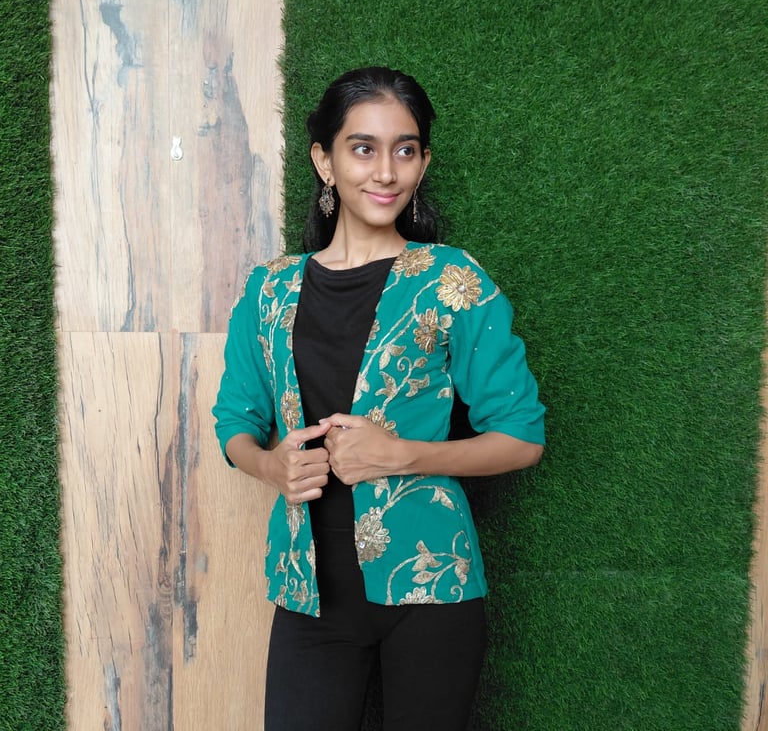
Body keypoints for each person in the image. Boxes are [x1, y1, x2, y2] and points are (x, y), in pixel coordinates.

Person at [212, 66, 545, 730]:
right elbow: (235, 422)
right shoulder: (269, 289)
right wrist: (271, 465)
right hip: (308, 589)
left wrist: (403, 454)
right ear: (324, 161)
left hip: (433, 583)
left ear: (423, 163)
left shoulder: (452, 280)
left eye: (406, 149)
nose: (386, 171)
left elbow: (521, 438)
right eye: (363, 148)